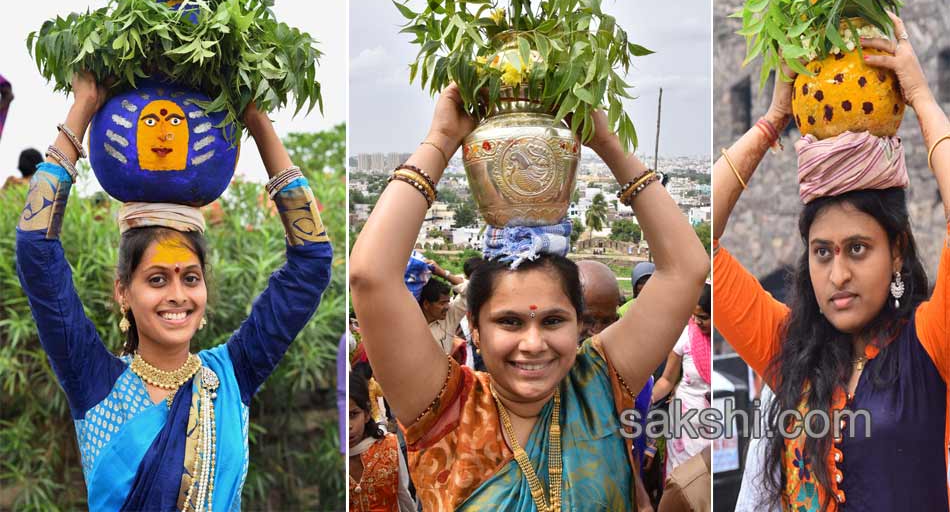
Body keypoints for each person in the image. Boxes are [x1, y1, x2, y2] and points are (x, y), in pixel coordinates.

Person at [350, 85, 709, 510]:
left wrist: (605, 141)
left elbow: (687, 269)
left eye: (554, 321)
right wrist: (442, 140)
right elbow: (370, 276)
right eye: (510, 321)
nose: (533, 343)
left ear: (580, 325)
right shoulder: (445, 407)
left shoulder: (597, 385)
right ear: (476, 331)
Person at [15, 72, 333, 510]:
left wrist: (258, 122)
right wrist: (83, 108)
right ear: (123, 293)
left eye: (190, 277)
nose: (178, 296)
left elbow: (313, 263)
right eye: (157, 279)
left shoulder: (229, 377)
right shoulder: (94, 381)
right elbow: (35, 250)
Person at [714, 13, 950, 511]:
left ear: (898, 253)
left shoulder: (929, 345)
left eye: (858, 249)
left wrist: (923, 99)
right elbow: (696, 244)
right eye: (822, 253)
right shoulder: (790, 352)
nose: (837, 275)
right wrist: (773, 119)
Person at [578, 259, 657, 512]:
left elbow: (626, 437)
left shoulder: (627, 366)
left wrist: (640, 495)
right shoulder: (539, 379)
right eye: (588, 320)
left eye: (607, 321)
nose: (598, 332)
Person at [651, 283, 711, 474]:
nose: (696, 321)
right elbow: (667, 380)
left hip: (713, 428)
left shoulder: (727, 339)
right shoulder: (687, 336)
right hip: (683, 430)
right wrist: (645, 399)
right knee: (680, 485)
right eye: (693, 315)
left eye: (703, 317)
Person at [349, 372, 416, 512]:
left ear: (366, 414)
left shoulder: (389, 447)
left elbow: (403, 496)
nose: (347, 426)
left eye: (353, 415)